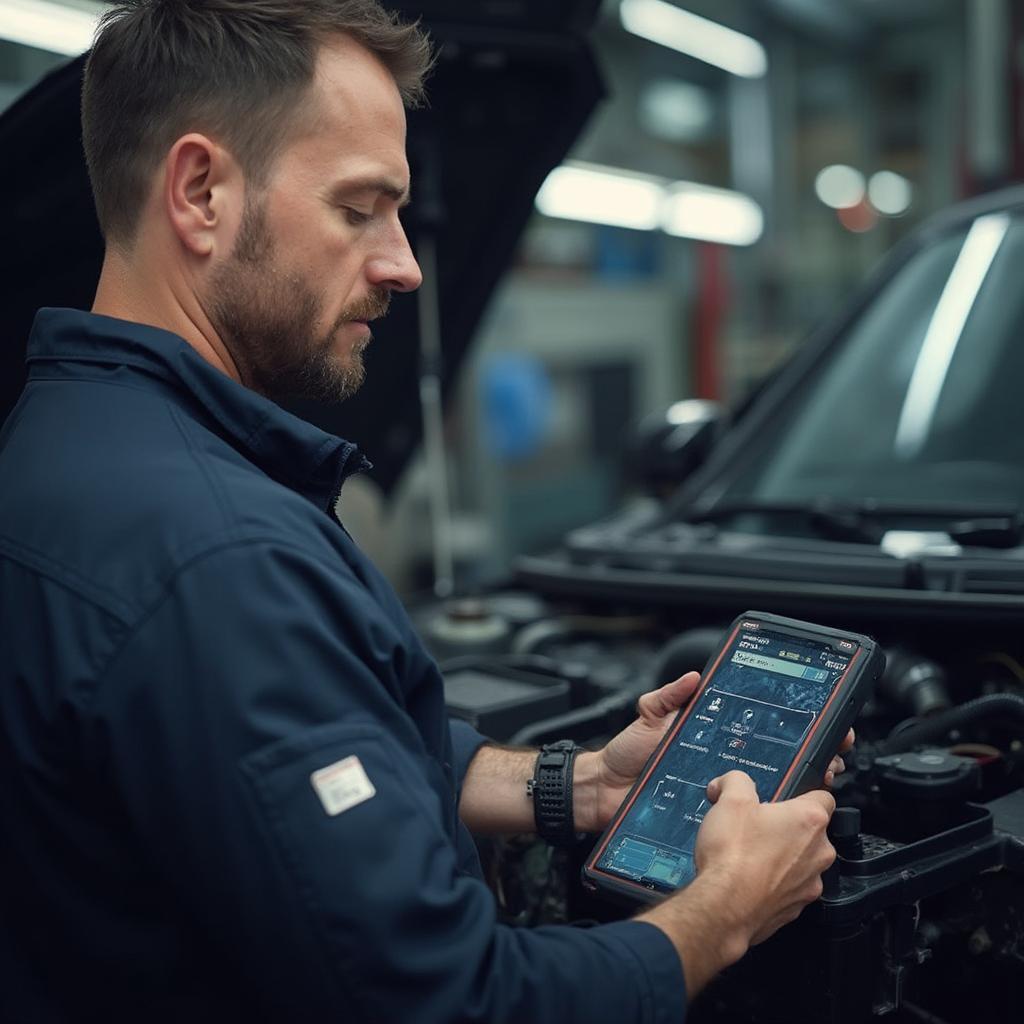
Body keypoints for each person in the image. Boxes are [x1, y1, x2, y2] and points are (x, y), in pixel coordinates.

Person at [0, 2, 844, 1021]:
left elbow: (263, 771)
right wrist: (726, 906)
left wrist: (572, 788)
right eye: (361, 207)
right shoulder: (215, 559)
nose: (403, 263)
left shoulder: (65, 440)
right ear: (201, 191)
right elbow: (455, 1002)